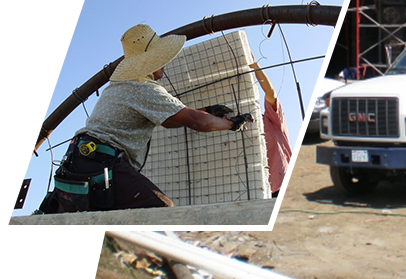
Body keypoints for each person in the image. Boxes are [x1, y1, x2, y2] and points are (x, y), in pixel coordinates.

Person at [39, 24, 254, 214]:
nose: (164, 63)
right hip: (101, 164)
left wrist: (207, 109)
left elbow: (170, 120)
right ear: (149, 61)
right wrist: (232, 124)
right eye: (160, 58)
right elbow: (195, 121)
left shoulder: (120, 87)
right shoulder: (142, 88)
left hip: (78, 163)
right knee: (163, 212)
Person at [249, 61, 292, 198]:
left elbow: (270, 93)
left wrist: (255, 67)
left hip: (282, 184)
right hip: (262, 192)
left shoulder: (272, 119)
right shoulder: (245, 128)